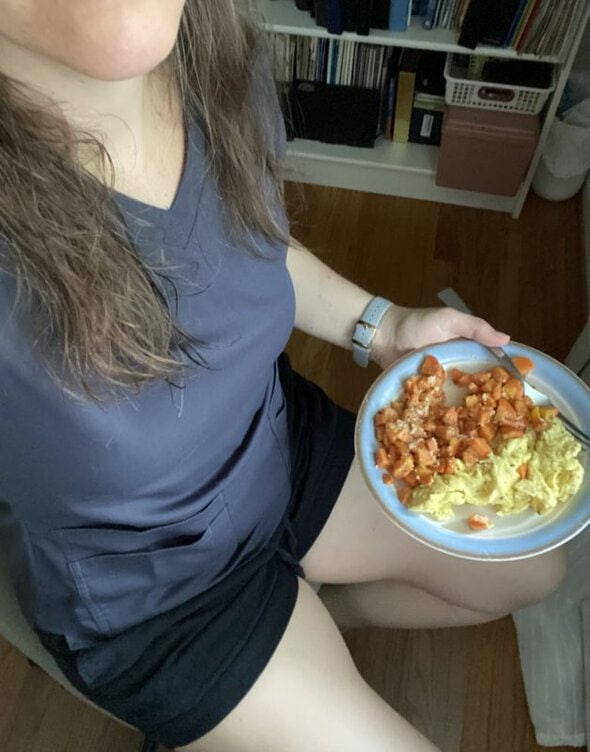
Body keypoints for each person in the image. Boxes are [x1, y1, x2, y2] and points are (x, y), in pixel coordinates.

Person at [0, 2, 565, 751]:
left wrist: (382, 324)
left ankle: (317, 616)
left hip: (272, 442)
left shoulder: (213, 50)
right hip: (159, 601)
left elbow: (244, 241)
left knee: (533, 572)